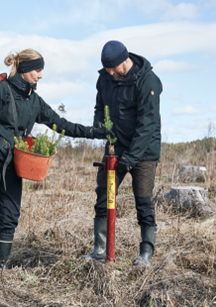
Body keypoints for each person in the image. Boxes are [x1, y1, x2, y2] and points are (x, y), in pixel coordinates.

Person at [0, 48, 114, 283]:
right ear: (25, 69)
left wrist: (95, 132)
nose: (41, 75)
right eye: (38, 70)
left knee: (10, 215)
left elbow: (60, 124)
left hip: (13, 161)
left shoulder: (34, 100)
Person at [81, 41, 162, 267]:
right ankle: (100, 249)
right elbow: (100, 107)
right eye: (106, 69)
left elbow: (148, 125)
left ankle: (145, 254)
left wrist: (130, 158)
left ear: (124, 60)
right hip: (114, 148)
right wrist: (99, 125)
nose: (110, 72)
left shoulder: (147, 81)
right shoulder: (105, 79)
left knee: (143, 202)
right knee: (103, 197)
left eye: (113, 68)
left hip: (144, 151)